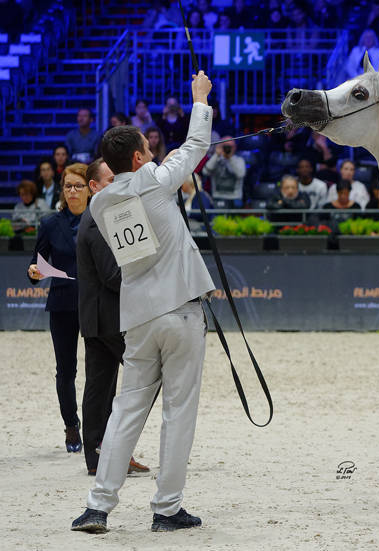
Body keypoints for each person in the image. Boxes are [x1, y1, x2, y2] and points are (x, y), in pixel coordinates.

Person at [71, 70, 215, 534]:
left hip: (137, 316)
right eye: (148, 149)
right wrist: (199, 99)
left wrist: (159, 168)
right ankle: (167, 508)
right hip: (180, 310)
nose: (153, 153)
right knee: (178, 410)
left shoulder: (100, 203)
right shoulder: (154, 179)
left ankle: (98, 505)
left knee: (127, 408)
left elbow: (144, 181)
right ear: (137, 155)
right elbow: (194, 148)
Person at [77, 158, 150, 477]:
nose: (118, 185)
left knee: (100, 385)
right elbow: (112, 276)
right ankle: (114, 448)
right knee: (149, 377)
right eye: (110, 181)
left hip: (97, 317)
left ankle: (100, 454)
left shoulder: (97, 215)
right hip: (109, 317)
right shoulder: (101, 218)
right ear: (93, 187)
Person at [26, 162, 90, 455]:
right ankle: (71, 425)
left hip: (95, 303)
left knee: (99, 369)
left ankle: (97, 427)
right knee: (66, 370)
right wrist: (34, 273)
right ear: (62, 191)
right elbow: (35, 264)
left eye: (79, 185)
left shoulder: (100, 219)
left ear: (90, 188)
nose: (73, 191)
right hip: (63, 303)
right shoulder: (50, 223)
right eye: (68, 186)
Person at [202, 137, 246, 203]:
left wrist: (230, 158)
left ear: (234, 148)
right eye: (225, 146)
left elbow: (241, 174)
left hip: (235, 198)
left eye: (230, 146)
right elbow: (205, 172)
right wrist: (216, 155)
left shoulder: (239, 160)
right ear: (220, 146)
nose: (227, 148)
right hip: (217, 197)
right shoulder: (215, 159)